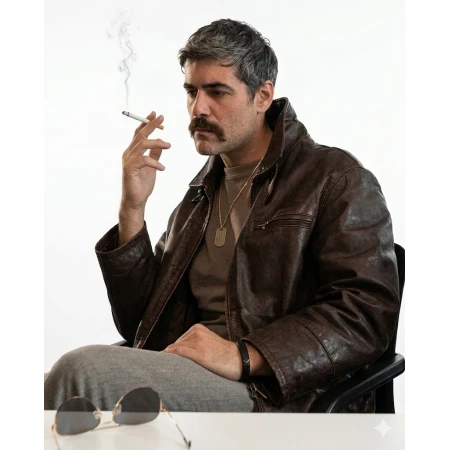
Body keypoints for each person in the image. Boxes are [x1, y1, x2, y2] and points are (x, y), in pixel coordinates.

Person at [44, 18, 400, 413]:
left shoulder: (335, 178)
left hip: (277, 393)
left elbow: (366, 315)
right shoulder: (200, 196)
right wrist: (132, 209)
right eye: (191, 91)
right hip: (193, 375)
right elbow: (142, 326)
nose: (198, 108)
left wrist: (244, 355)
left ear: (262, 96)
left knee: (79, 373)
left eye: (217, 92)